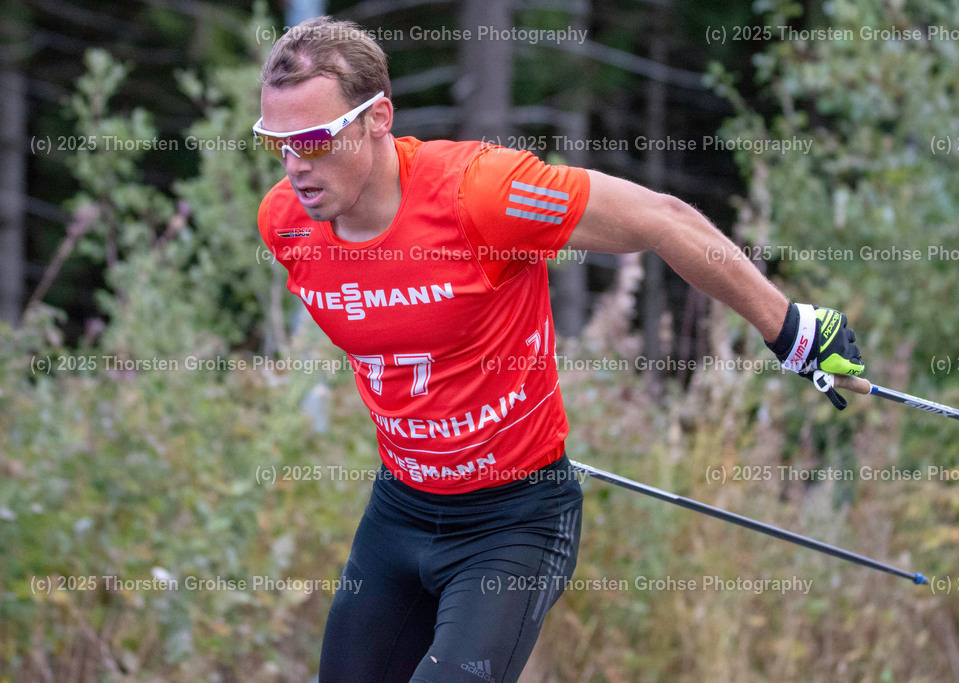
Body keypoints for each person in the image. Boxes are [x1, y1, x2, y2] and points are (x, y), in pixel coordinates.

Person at [254, 16, 864, 683]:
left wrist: (792, 329)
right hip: (399, 512)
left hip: (512, 522)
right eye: (277, 143)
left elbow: (662, 220)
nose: (295, 165)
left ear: (378, 119)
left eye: (314, 139)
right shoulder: (285, 223)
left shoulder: (479, 194)